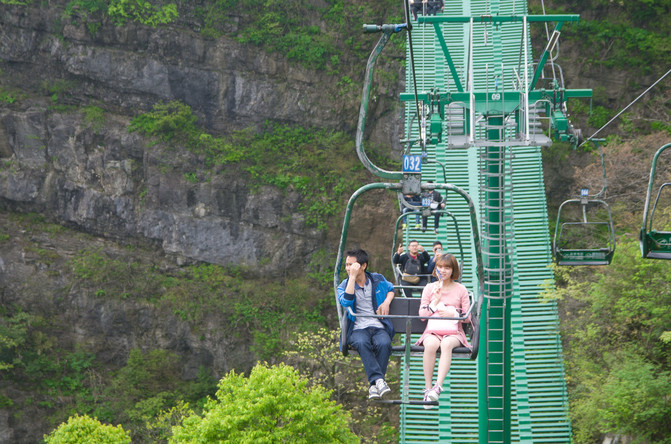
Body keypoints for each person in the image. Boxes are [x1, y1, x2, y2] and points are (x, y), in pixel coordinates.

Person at [337, 249, 395, 400]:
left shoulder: (377, 279)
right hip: (357, 327)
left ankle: (373, 385)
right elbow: (346, 301)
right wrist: (351, 278)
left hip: (377, 324)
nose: (348, 268)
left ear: (363, 266)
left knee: (384, 343)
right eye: (346, 265)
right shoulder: (344, 285)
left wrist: (386, 302)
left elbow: (391, 289)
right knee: (361, 342)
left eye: (352, 265)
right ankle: (379, 380)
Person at [416, 253, 471, 406]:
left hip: (453, 332)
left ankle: (437, 387)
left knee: (446, 345)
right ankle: (428, 389)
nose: (443, 270)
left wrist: (453, 313)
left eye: (447, 267)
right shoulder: (429, 288)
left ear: (453, 270)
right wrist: (436, 301)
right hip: (433, 330)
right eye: (440, 267)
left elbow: (467, 316)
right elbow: (422, 315)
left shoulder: (461, 289)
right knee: (431, 345)